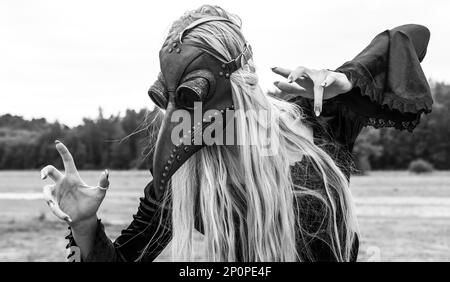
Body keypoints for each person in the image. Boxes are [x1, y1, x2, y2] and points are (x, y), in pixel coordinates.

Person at [40, 5, 432, 262]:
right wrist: (84, 223)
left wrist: (345, 81)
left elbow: (412, 35)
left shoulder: (317, 117)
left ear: (240, 77)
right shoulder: (183, 171)